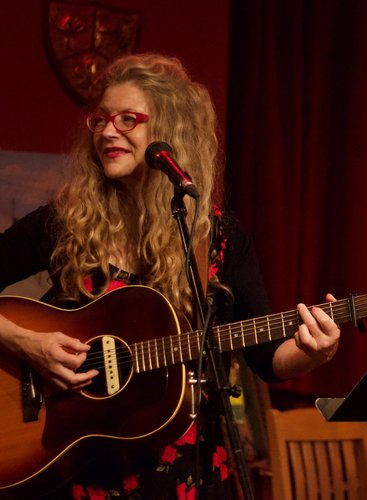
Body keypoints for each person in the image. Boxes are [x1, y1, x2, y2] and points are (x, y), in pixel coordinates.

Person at [0, 53, 341, 499]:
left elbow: (266, 358)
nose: (106, 131)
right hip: (78, 469)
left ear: (170, 132)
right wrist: (27, 343)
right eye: (101, 120)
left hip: (189, 471)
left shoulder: (217, 237)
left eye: (127, 119)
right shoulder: (67, 223)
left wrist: (313, 352)